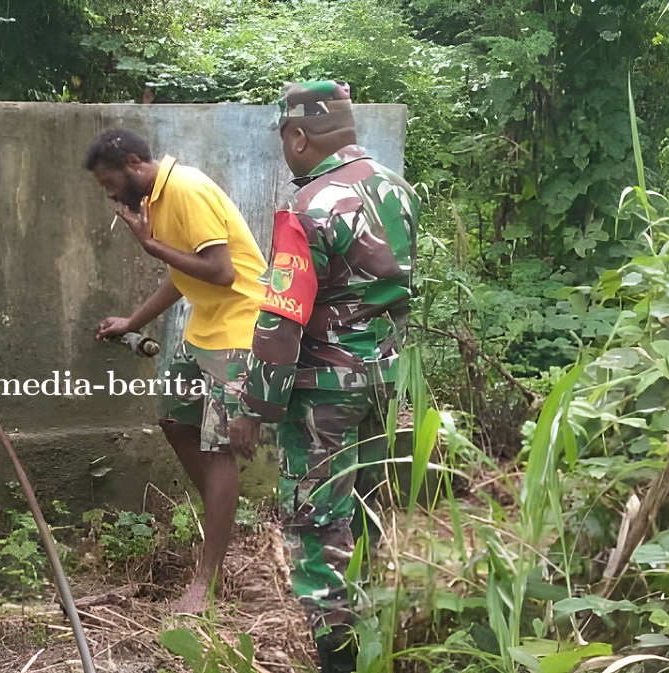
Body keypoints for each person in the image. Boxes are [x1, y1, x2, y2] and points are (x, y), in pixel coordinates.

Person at [85, 128, 270, 612]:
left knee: (217, 446)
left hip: (239, 328)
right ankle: (222, 522)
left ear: (133, 163)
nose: (109, 194)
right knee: (176, 423)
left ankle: (205, 582)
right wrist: (132, 322)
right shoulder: (159, 200)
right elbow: (184, 277)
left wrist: (153, 247)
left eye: (109, 182)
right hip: (207, 328)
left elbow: (222, 272)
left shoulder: (185, 188)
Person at [270, 80, 419, 673]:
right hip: (385, 378)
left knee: (317, 523)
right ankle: (380, 637)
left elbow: (282, 319)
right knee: (367, 510)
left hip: (323, 393)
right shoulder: (397, 188)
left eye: (286, 139)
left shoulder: (308, 208)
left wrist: (255, 406)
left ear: (298, 137)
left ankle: (340, 659)